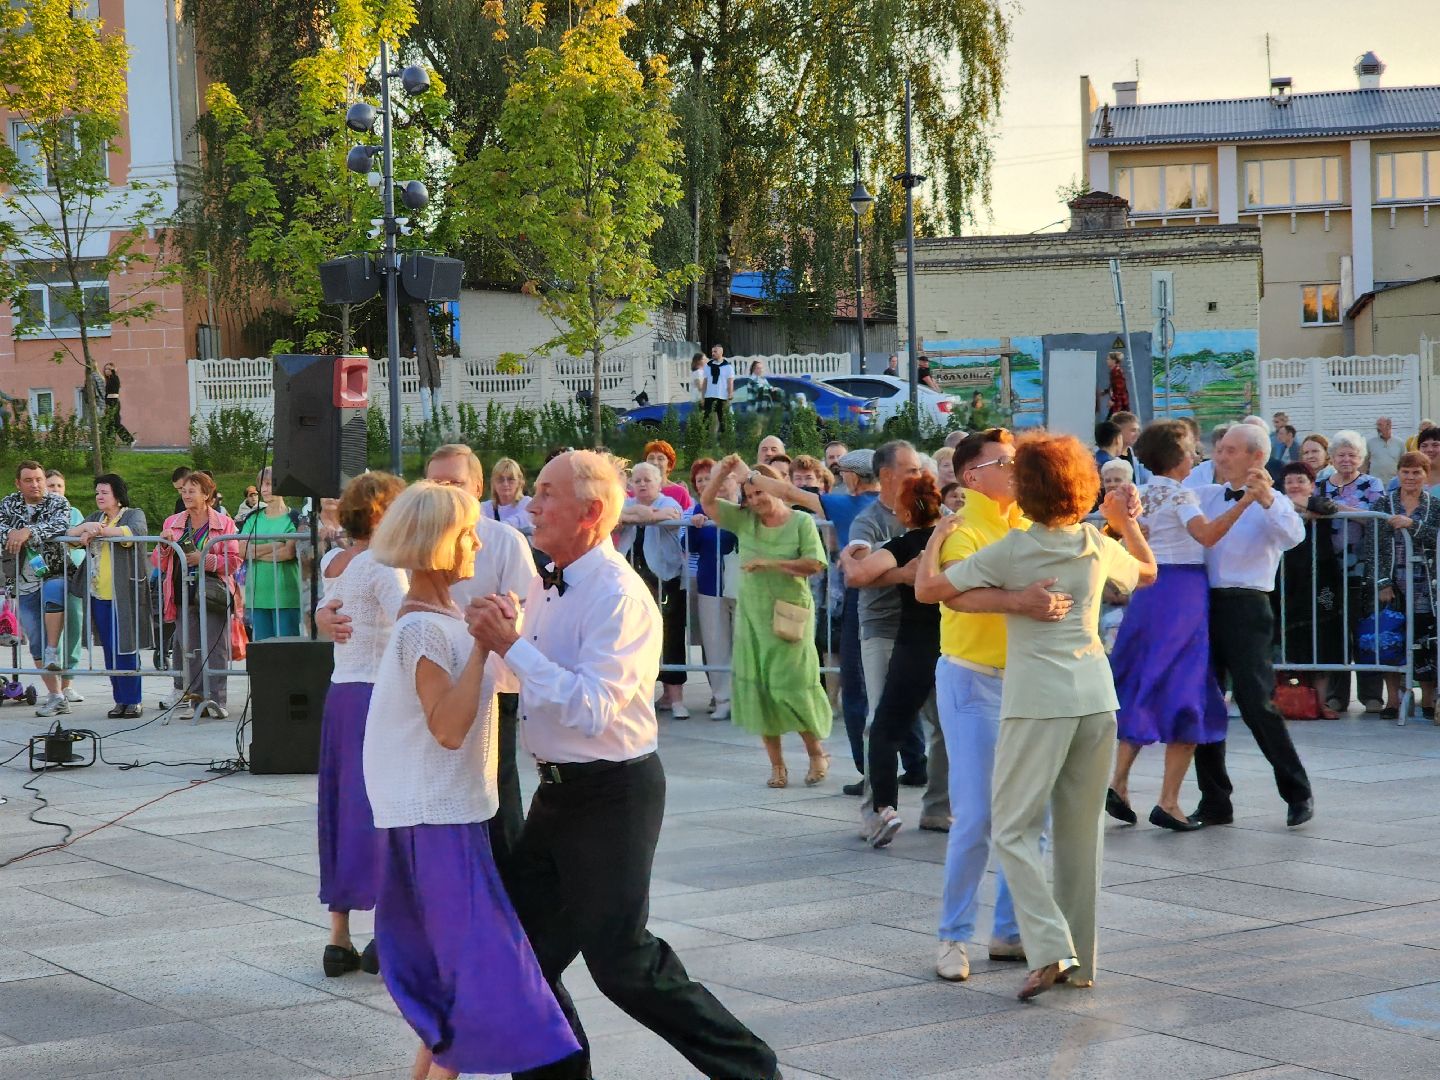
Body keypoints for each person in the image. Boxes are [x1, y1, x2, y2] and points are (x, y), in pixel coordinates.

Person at [465, 449, 782, 1080]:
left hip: (613, 792)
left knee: (625, 965)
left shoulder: (618, 594)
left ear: (590, 512)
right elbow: (517, 670)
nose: (532, 503)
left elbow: (593, 708)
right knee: (515, 955)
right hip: (558, 793)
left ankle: (753, 1071)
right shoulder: (546, 579)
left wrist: (511, 645)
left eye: (547, 493)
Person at [364, 481, 578, 1080]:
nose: (476, 542)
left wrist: (500, 638)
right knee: (475, 971)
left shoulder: (441, 618)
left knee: (456, 975)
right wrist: (486, 650)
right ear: (439, 543)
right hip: (435, 818)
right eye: (465, 533)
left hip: (449, 812)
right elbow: (450, 728)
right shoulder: (423, 629)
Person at [939, 433, 1155, 1000]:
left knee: (1011, 827)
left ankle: (1051, 943)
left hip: (1037, 702)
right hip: (1096, 698)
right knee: (1082, 838)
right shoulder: (1092, 540)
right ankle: (1080, 965)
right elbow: (1148, 572)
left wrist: (939, 539)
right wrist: (1120, 520)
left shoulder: (1014, 548)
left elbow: (937, 590)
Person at [320, 444, 539, 869]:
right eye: (436, 484)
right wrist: (323, 616)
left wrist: (506, 621)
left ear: (477, 486)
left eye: (454, 484)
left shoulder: (505, 541)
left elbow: (530, 613)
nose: (444, 492)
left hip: (492, 687)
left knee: (498, 799)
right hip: (432, 705)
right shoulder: (418, 598)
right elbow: (376, 604)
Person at [914, 427, 1053, 981]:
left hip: (1026, 681)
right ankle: (952, 938)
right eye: (1006, 461)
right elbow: (950, 591)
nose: (1017, 467)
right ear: (973, 475)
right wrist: (1020, 599)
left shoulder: (1024, 523)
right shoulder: (961, 529)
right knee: (976, 815)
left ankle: (1011, 932)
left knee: (1031, 814)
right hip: (972, 681)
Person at [1106, 421, 1256, 832]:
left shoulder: (1141, 492)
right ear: (1176, 457)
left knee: (1144, 682)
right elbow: (1206, 535)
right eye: (1191, 450)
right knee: (1186, 688)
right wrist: (1243, 503)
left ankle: (1118, 783)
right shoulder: (1179, 493)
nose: (1195, 456)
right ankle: (1169, 801)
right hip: (1182, 591)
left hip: (1150, 590)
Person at [1191, 423, 1314, 828]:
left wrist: (1265, 501)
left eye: (1229, 450)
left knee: (1257, 701)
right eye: (1219, 448)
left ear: (1256, 457)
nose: (1220, 456)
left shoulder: (1275, 502)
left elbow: (1293, 536)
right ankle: (1214, 800)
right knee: (1205, 703)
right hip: (1202, 604)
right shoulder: (1206, 494)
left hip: (1247, 607)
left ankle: (1298, 791)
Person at [314, 471, 406, 980]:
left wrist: (319, 620)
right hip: (377, 692)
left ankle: (338, 935)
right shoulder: (385, 566)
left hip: (341, 691)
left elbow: (323, 610)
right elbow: (408, 622)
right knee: (380, 808)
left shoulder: (335, 561)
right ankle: (383, 934)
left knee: (341, 806)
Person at [702, 456, 832, 786]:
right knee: (761, 691)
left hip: (790, 616)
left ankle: (817, 753)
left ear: (775, 488)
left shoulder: (801, 523)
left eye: (761, 492)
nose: (756, 501)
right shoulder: (746, 521)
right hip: (753, 617)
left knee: (791, 687)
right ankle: (777, 766)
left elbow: (815, 564)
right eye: (750, 496)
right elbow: (706, 503)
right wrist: (723, 473)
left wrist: (770, 563)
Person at [846, 472, 946, 847]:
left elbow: (858, 573)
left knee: (887, 727)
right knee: (951, 729)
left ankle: (884, 808)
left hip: (914, 645)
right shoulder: (958, 537)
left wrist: (847, 555)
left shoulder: (905, 544)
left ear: (905, 512)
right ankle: (949, 806)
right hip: (956, 645)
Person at [153, 470, 241, 720]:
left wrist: (206, 559)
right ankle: (196, 700)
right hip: (182, 592)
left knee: (216, 647)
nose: (186, 495)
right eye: (183, 491)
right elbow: (158, 562)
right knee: (189, 647)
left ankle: (216, 700)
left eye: (192, 490)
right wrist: (163, 545)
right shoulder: (172, 522)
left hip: (213, 593)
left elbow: (234, 561)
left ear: (206, 495)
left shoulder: (224, 523)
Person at [70, 474, 150, 719]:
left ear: (117, 493)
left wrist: (98, 532)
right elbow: (72, 535)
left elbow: (131, 532)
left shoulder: (133, 513)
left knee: (126, 646)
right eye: (97, 493)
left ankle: (133, 700)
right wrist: (86, 527)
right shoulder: (96, 518)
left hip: (124, 594)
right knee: (109, 650)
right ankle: (119, 700)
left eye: (104, 492)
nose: (99, 497)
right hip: (98, 595)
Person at [1319, 429, 1387, 714]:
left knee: (1364, 628)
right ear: (1332, 457)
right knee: (1334, 630)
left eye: (1352, 455)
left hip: (1362, 567)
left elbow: (1378, 517)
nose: (1346, 459)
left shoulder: (1372, 483)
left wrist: (1339, 509)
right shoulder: (1321, 483)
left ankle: (1372, 694)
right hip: (1327, 569)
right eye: (1341, 454)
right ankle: (1337, 695)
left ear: (1361, 458)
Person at [1369, 452, 1440, 719]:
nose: (1410, 477)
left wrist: (1414, 525)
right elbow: (1372, 545)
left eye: (1416, 472)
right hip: (1393, 583)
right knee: (1391, 640)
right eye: (1406, 472)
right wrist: (1382, 582)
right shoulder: (1383, 503)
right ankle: (1393, 700)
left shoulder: (1435, 506)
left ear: (1425, 474)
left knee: (1425, 641)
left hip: (1426, 585)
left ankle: (1427, 699)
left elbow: (1438, 536)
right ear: (1398, 473)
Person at [0, 461, 74, 717]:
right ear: (18, 484)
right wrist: (13, 533)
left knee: (54, 595)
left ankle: (53, 649)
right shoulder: (9, 503)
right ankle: (56, 696)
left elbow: (60, 525)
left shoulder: (57, 502)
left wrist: (28, 532)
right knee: (35, 642)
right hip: (22, 580)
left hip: (53, 571)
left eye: (39, 479)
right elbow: (0, 528)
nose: (36, 484)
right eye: (29, 480)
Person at [617, 462, 688, 718]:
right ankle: (639, 696)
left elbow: (669, 516)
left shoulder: (670, 502)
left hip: (664, 577)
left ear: (659, 482)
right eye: (637, 480)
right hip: (631, 579)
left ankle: (676, 697)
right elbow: (615, 519)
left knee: (670, 636)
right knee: (633, 638)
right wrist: (643, 515)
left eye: (648, 479)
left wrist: (644, 515)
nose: (642, 484)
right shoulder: (624, 505)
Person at [1273, 462, 1343, 718]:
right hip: (1284, 579)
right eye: (1290, 481)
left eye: (1300, 481)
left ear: (1311, 484)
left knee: (1322, 639)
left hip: (1320, 578)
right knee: (1287, 640)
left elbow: (1328, 508)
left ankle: (1321, 703)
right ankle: (1289, 700)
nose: (1295, 485)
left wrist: (1303, 505)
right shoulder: (1276, 505)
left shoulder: (1320, 502)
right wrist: (1297, 507)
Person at [683, 458, 737, 721]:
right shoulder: (700, 507)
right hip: (709, 583)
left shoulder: (742, 506)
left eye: (723, 479)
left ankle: (745, 699)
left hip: (740, 585)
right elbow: (690, 545)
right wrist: (694, 525)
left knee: (743, 644)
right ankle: (722, 699)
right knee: (716, 644)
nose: (719, 486)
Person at [238, 467, 302, 641]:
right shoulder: (253, 518)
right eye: (262, 485)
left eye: (269, 484)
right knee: (264, 653)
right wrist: (275, 544)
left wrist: (256, 551)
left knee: (287, 651)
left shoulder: (294, 518)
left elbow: (288, 553)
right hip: (258, 595)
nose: (264, 489)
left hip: (286, 595)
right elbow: (242, 550)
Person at [45, 469, 86, 706]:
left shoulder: (75, 513)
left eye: (59, 486)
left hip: (74, 577)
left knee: (74, 627)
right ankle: (55, 686)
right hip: (49, 578)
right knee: (52, 633)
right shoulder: (41, 513)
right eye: (51, 486)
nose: (56, 490)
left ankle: (68, 683)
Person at [481, 457, 534, 538]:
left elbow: (515, 522)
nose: (505, 484)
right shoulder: (484, 508)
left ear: (519, 482)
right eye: (500, 479)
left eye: (511, 479)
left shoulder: (528, 504)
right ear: (493, 482)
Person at [641, 440, 693, 511]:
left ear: (669, 465)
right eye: (651, 458)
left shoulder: (680, 492)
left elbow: (689, 517)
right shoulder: (636, 492)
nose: (655, 462)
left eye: (660, 459)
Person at [1110, 411, 1151, 483]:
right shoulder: (1105, 458)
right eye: (1133, 430)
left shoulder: (1137, 456)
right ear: (1118, 431)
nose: (1137, 434)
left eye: (1138, 430)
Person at [700, 345, 734, 428]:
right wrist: (702, 396)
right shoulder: (707, 366)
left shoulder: (728, 367)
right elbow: (705, 382)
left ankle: (723, 438)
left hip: (722, 396)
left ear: (721, 353)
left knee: (723, 420)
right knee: (706, 420)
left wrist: (730, 394)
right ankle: (705, 438)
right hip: (709, 396)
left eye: (715, 352)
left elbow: (730, 382)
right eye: (712, 352)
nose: (713, 353)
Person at [101, 362, 133, 443]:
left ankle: (130, 440)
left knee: (116, 423)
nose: (106, 371)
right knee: (109, 424)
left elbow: (114, 394)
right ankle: (109, 443)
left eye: (109, 369)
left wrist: (113, 371)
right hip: (110, 403)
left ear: (113, 370)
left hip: (113, 403)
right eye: (105, 369)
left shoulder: (114, 378)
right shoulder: (108, 380)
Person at [1367, 416, 1403, 484]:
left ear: (1389, 425)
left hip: (1394, 483)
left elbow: (1404, 464)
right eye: (1377, 425)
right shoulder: (1370, 443)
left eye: (1380, 425)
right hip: (1375, 483)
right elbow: (1365, 464)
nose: (1377, 428)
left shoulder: (1399, 443)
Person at [1099, 350, 1129, 418]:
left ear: (1114, 361)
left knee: (1113, 422)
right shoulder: (1114, 371)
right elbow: (1114, 386)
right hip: (1118, 403)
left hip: (1119, 403)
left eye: (1108, 359)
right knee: (1114, 422)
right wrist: (1105, 391)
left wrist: (1113, 400)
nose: (1107, 361)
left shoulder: (1116, 372)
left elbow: (1119, 388)